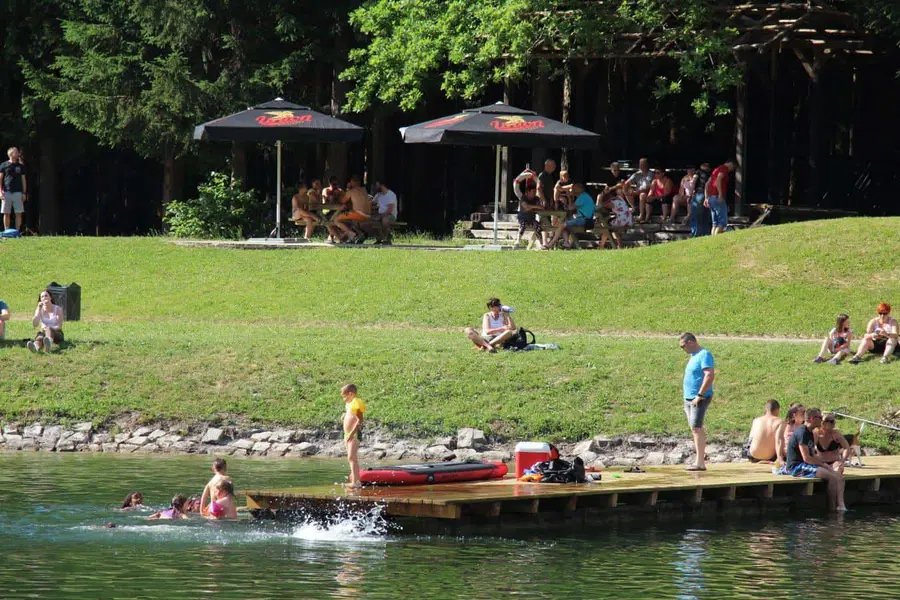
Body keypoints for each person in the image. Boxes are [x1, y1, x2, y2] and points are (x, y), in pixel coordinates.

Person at [780, 408, 847, 512]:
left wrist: (826, 465)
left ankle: (839, 506)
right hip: (797, 467)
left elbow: (813, 455)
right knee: (832, 478)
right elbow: (806, 458)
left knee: (837, 476)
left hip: (806, 464)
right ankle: (832, 510)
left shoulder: (810, 432)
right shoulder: (802, 432)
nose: (822, 420)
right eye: (820, 417)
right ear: (812, 418)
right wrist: (823, 465)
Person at [679, 333, 715, 471]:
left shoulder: (704, 354)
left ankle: (700, 463)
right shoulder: (694, 356)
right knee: (694, 428)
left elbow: (709, 375)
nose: (683, 349)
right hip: (689, 397)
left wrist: (700, 395)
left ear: (690, 342)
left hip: (699, 398)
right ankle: (699, 460)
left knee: (696, 428)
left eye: (683, 346)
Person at [542, 182, 595, 250]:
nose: (571, 190)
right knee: (564, 225)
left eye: (572, 189)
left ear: (577, 190)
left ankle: (550, 244)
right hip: (587, 220)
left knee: (562, 225)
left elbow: (570, 208)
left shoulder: (582, 197)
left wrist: (569, 197)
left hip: (584, 220)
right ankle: (566, 243)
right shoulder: (585, 196)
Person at [328, 175, 370, 243]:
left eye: (350, 182)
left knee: (336, 220)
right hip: (368, 215)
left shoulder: (351, 191)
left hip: (359, 214)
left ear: (352, 182)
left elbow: (342, 201)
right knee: (350, 221)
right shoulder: (364, 190)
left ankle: (353, 235)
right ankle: (358, 234)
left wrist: (347, 188)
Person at [341, 383, 366, 489]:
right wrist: (345, 415)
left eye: (344, 396)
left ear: (351, 394)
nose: (344, 399)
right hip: (348, 434)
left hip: (354, 433)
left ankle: (356, 482)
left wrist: (352, 433)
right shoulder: (349, 404)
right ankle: (356, 481)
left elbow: (360, 419)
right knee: (350, 458)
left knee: (352, 457)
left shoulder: (356, 402)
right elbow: (350, 414)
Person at [704, 160, 735, 235]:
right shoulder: (724, 169)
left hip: (710, 198)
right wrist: (720, 195)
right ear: (730, 163)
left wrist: (706, 198)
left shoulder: (715, 170)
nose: (732, 169)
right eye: (733, 167)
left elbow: (707, 184)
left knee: (715, 223)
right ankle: (717, 239)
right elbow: (718, 180)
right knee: (722, 223)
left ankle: (712, 240)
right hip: (717, 197)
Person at [0, 147, 27, 232]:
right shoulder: (4, 165)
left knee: (18, 213)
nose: (18, 153)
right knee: (6, 213)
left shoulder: (20, 166)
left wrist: (24, 193)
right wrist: (0, 192)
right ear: (11, 154)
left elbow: (23, 180)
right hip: (6, 192)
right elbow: (0, 179)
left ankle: (17, 232)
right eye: (16, 152)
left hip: (18, 193)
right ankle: (6, 231)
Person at [691, 163, 712, 237]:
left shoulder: (698, 172)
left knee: (696, 216)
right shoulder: (711, 174)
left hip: (699, 195)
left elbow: (693, 181)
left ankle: (696, 234)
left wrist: (690, 194)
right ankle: (705, 234)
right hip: (708, 196)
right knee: (706, 216)